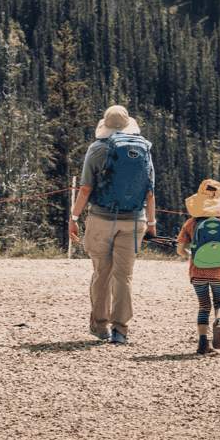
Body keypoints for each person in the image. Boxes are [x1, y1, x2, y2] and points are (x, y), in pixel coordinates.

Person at [69, 105, 155, 345]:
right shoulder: (143, 149)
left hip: (101, 219)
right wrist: (152, 222)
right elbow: (150, 191)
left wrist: (74, 218)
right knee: (123, 276)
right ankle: (120, 330)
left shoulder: (97, 149)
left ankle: (100, 326)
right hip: (134, 219)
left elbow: (86, 188)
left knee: (101, 272)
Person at [176, 179, 220, 356]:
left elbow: (180, 249)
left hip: (198, 271)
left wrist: (188, 254)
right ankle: (219, 321)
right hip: (219, 272)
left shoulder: (190, 223)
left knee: (203, 306)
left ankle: (203, 344)